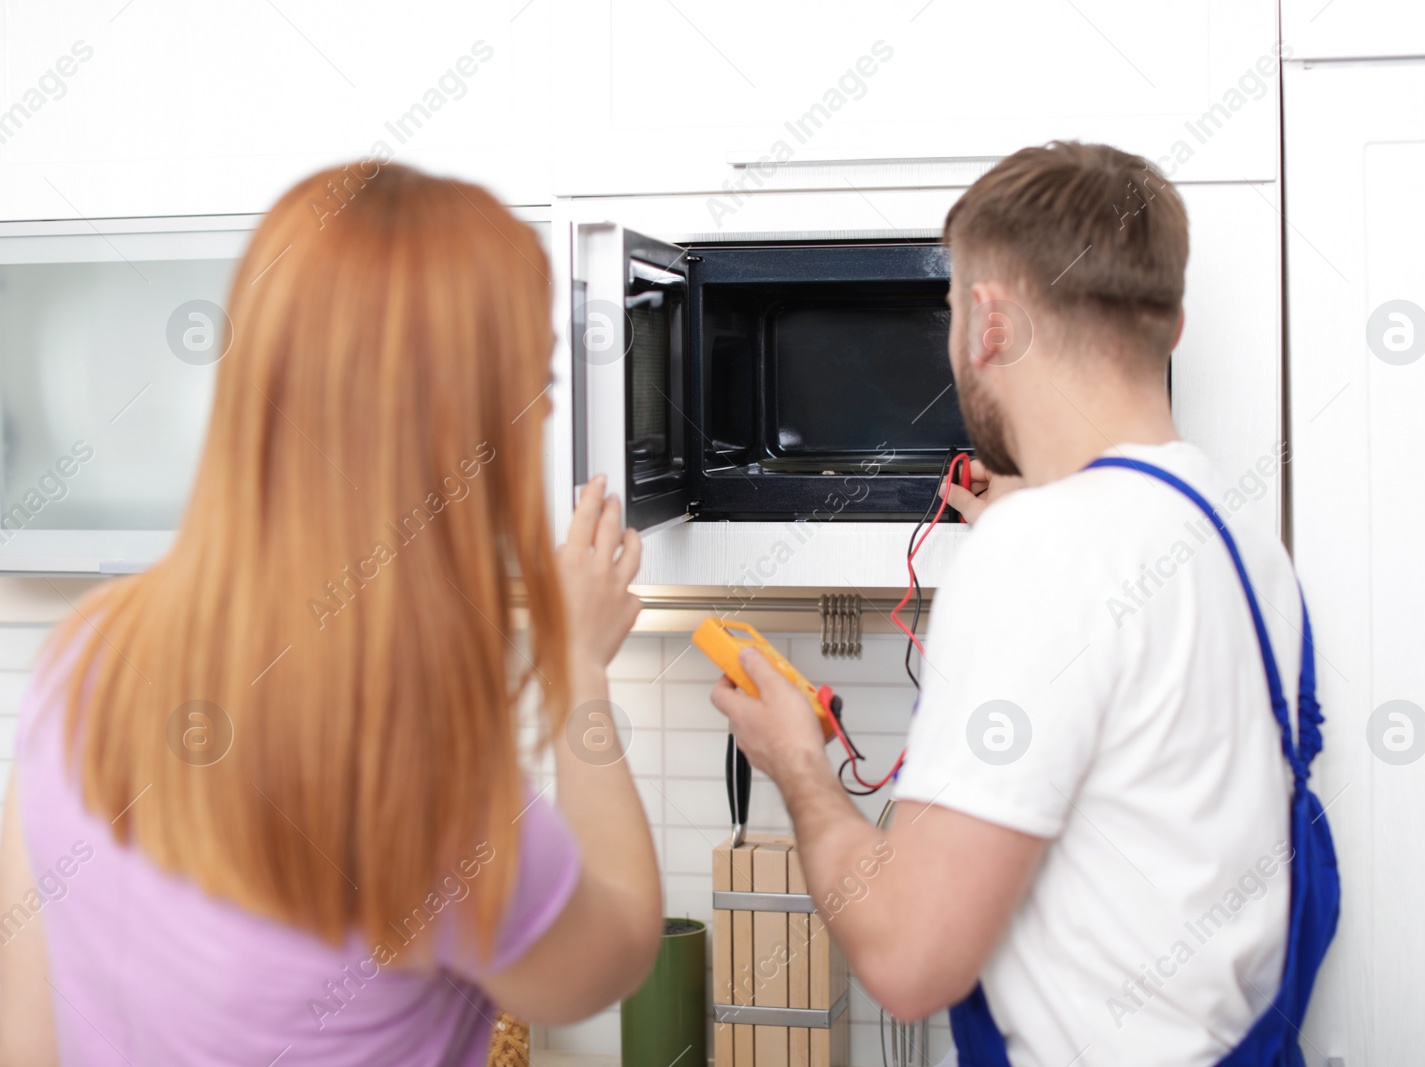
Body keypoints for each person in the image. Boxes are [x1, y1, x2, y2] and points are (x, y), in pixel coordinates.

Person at [0, 164, 659, 1065]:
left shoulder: (81, 660)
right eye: (535, 380)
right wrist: (578, 669)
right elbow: (612, 951)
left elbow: (24, 1027)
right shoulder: (417, 782)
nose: (547, 408)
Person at [710, 142, 1337, 1065]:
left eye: (955, 307)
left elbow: (908, 958)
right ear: (1169, 323)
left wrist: (796, 763)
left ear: (991, 320)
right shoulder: (1244, 547)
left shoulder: (1041, 551)